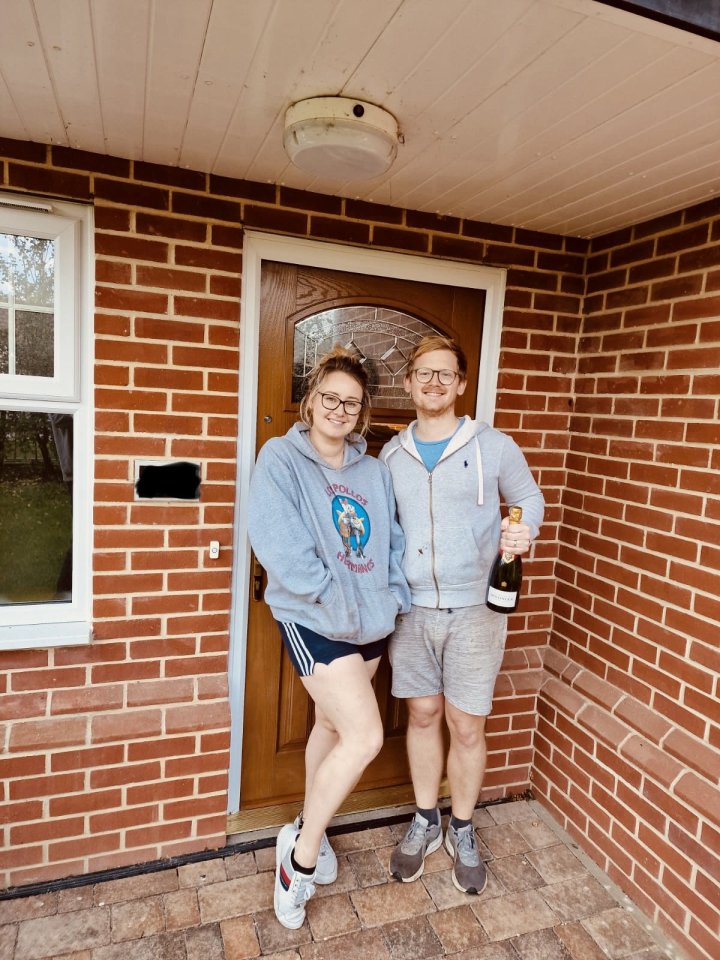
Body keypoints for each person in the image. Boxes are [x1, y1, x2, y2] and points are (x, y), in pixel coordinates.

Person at [247, 345, 410, 929]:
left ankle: (303, 819)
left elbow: (389, 540)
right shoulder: (281, 459)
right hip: (315, 617)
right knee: (365, 736)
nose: (339, 410)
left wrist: (393, 596)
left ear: (362, 413)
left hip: (370, 619)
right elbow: (275, 538)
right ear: (311, 399)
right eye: (330, 398)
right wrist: (327, 594)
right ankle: (300, 858)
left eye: (352, 403)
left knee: (333, 726)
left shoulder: (372, 470)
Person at [380, 334, 544, 895]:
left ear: (461, 383)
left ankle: (463, 826)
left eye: (444, 374)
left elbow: (530, 499)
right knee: (422, 715)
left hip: (476, 609)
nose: (433, 382)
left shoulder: (493, 446)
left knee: (466, 723)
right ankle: (426, 819)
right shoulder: (391, 455)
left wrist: (524, 532)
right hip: (412, 611)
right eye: (422, 373)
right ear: (408, 384)